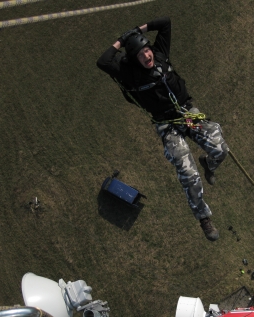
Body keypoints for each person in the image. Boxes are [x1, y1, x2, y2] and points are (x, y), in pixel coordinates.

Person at [97, 17, 229, 241]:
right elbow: (103, 61)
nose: (147, 56)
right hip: (167, 125)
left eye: (147, 50)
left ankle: (209, 163)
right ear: (134, 59)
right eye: (141, 55)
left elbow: (165, 22)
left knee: (220, 148)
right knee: (188, 172)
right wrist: (121, 40)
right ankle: (204, 218)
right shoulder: (129, 74)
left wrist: (137, 30)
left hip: (187, 112)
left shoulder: (159, 53)